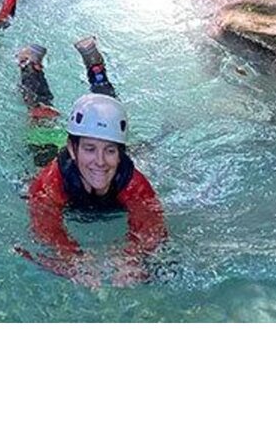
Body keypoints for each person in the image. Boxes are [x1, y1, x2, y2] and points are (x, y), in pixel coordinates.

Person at [17, 37, 167, 283]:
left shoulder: (132, 182)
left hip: (89, 146)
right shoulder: (51, 182)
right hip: (53, 152)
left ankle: (96, 67)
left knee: (108, 111)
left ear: (121, 153)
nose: (100, 162)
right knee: (40, 114)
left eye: (110, 151)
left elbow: (152, 228)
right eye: (89, 149)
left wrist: (132, 257)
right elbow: (44, 228)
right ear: (71, 149)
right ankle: (29, 65)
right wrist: (74, 259)